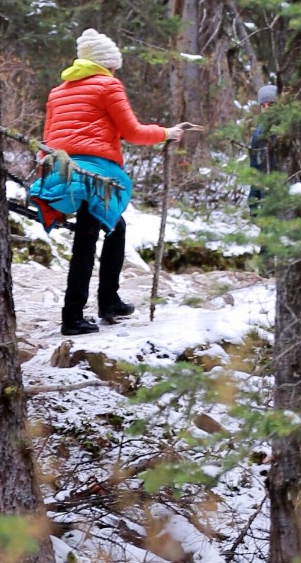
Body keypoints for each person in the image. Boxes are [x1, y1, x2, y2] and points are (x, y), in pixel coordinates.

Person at [39, 28, 202, 336]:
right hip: (95, 174)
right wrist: (168, 133)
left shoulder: (58, 91)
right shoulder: (108, 86)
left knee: (116, 226)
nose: (115, 70)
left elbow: (47, 139)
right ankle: (73, 316)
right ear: (106, 64)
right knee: (87, 239)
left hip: (60, 171)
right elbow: (133, 132)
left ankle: (108, 300)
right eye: (114, 65)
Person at [248, 80, 278, 208]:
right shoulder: (258, 133)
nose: (267, 109)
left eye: (271, 105)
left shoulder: (289, 130)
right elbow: (255, 167)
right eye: (263, 106)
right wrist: (253, 200)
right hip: (266, 194)